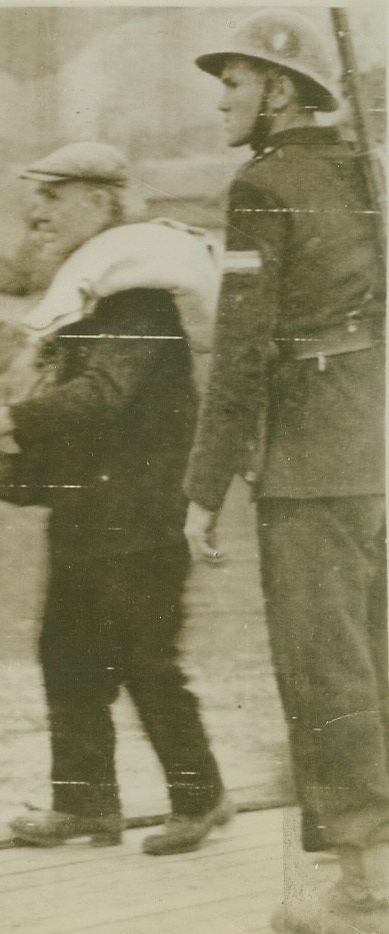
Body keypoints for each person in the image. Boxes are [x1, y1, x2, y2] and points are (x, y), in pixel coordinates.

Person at [0, 142, 232, 857]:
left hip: (141, 516)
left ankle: (202, 798)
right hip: (89, 513)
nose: (35, 209)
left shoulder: (137, 300)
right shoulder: (99, 293)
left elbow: (104, 397)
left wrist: (10, 420)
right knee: (65, 654)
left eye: (54, 194)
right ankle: (86, 808)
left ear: (101, 203)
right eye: (34, 194)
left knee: (146, 661)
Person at [186, 11, 388, 933]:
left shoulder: (262, 186)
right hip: (372, 443)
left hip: (306, 460)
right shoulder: (362, 173)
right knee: (373, 659)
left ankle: (362, 886)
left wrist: (203, 489)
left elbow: (240, 352)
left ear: (278, 89)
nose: (222, 99)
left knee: (324, 674)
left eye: (234, 81)